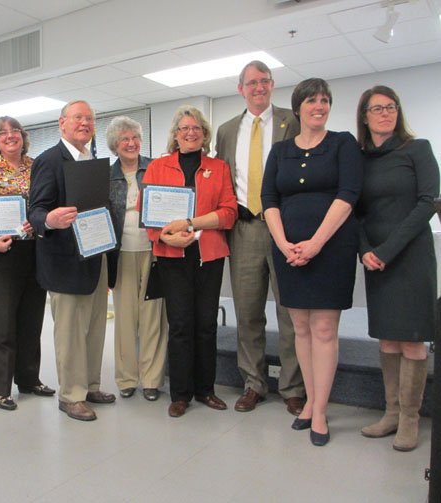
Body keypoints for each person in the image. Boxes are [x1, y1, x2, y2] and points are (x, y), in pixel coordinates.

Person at [261, 78, 363, 446]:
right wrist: (284, 243)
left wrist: (316, 243)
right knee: (300, 328)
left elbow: (349, 194)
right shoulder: (280, 150)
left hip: (330, 248)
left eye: (324, 100)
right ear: (298, 107)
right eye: (311, 100)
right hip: (288, 250)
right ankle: (308, 402)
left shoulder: (343, 144)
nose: (318, 106)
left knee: (323, 330)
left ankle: (319, 409)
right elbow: (268, 198)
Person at [216, 60, 305, 415]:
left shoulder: (292, 120)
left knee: (290, 312)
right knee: (248, 311)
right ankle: (253, 383)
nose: (259, 87)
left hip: (285, 228)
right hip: (245, 228)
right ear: (241, 88)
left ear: (272, 85)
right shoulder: (226, 130)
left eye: (265, 81)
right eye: (252, 82)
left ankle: (293, 387)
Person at [356, 85, 439, 451]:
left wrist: (387, 249)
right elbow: (354, 212)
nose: (385, 113)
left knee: (412, 338)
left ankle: (410, 418)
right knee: (388, 336)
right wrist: (365, 252)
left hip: (411, 256)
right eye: (377, 108)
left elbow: (428, 203)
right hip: (376, 259)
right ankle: (391, 413)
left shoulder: (417, 149)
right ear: (365, 116)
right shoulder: (360, 159)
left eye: (391, 107)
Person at [141, 105, 237, 418]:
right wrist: (163, 237)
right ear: (176, 135)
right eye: (184, 128)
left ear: (204, 134)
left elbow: (228, 213)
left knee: (206, 325)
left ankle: (206, 390)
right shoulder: (158, 166)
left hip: (209, 255)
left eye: (196, 127)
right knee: (180, 325)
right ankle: (180, 394)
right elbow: (148, 214)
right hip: (171, 256)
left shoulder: (218, 168)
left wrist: (191, 222)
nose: (190, 132)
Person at [28, 100, 115, 421]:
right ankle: (71, 395)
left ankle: (90, 385)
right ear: (62, 123)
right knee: (70, 332)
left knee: (94, 328)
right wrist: (50, 219)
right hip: (65, 261)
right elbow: (36, 211)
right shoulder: (49, 161)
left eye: (90, 119)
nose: (85, 123)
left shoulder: (92, 160)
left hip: (95, 255)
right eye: (78, 118)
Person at [0, 116, 55, 411]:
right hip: (0, 253)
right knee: (1, 322)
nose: (10, 136)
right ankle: (0, 387)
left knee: (31, 319)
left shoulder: (37, 167)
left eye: (15, 131)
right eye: (3, 133)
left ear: (23, 136)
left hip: (34, 251)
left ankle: (29, 379)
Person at [106, 116, 166, 402]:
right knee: (125, 319)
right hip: (121, 253)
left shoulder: (157, 167)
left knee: (153, 316)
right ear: (115, 146)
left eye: (135, 138)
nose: (130, 143)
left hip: (155, 251)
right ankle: (127, 378)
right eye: (124, 139)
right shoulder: (106, 176)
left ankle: (152, 379)